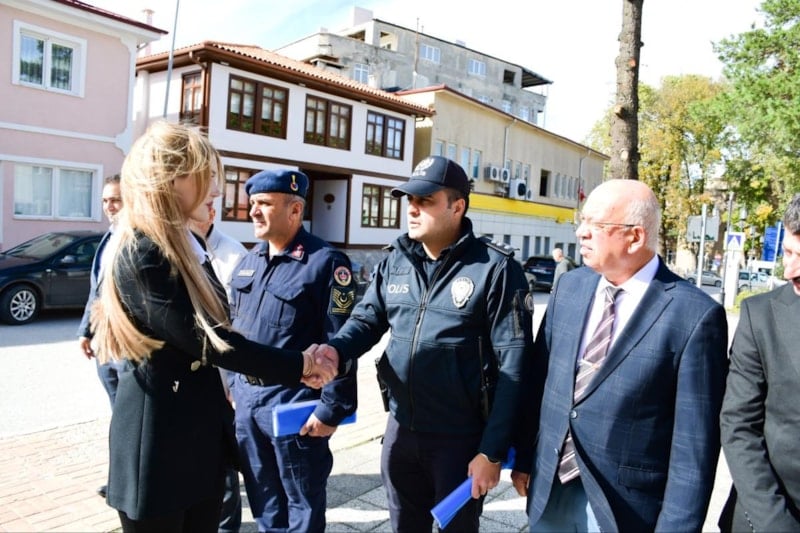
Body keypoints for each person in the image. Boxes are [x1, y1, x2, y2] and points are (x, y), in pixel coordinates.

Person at [90, 121, 339, 533]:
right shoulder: (143, 250)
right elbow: (210, 342)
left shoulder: (190, 246)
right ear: (171, 180)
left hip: (199, 441)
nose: (217, 191)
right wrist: (302, 365)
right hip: (159, 447)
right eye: (205, 176)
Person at [315, 155, 533, 532]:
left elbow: (515, 367)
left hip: (459, 440)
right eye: (410, 200)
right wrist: (334, 350)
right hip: (401, 430)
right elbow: (366, 320)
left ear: (457, 206)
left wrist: (491, 451)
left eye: (425, 201)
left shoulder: (495, 269)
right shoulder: (396, 261)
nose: (412, 209)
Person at [510, 178, 728, 532]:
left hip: (625, 507)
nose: (581, 232)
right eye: (581, 221)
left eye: (595, 224)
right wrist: (524, 456)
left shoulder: (694, 316)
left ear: (635, 237)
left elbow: (694, 446)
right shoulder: (570, 287)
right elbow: (541, 381)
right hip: (551, 487)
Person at [227, 168, 357, 533]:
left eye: (265, 204)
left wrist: (331, 410)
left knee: (302, 506)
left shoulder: (325, 263)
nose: (254, 211)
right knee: (264, 503)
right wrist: (231, 384)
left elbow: (341, 342)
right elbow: (230, 330)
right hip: (247, 405)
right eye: (252, 203)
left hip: (294, 408)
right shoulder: (248, 262)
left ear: (295, 210)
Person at [719, 193, 800, 532]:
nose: (790, 270)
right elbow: (738, 426)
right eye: (788, 252)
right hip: (770, 518)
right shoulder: (761, 316)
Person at [188, 206, 247, 533]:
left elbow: (239, 326)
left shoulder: (233, 255)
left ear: (211, 212)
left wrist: (235, 383)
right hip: (194, 379)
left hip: (224, 377)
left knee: (224, 467)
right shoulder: (179, 246)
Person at [77, 173, 125, 499]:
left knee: (131, 420)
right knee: (117, 417)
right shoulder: (108, 239)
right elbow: (97, 290)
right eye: (106, 200)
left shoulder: (137, 239)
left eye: (116, 200)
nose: (109, 206)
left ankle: (129, 484)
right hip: (105, 345)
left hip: (129, 347)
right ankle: (119, 480)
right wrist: (86, 330)